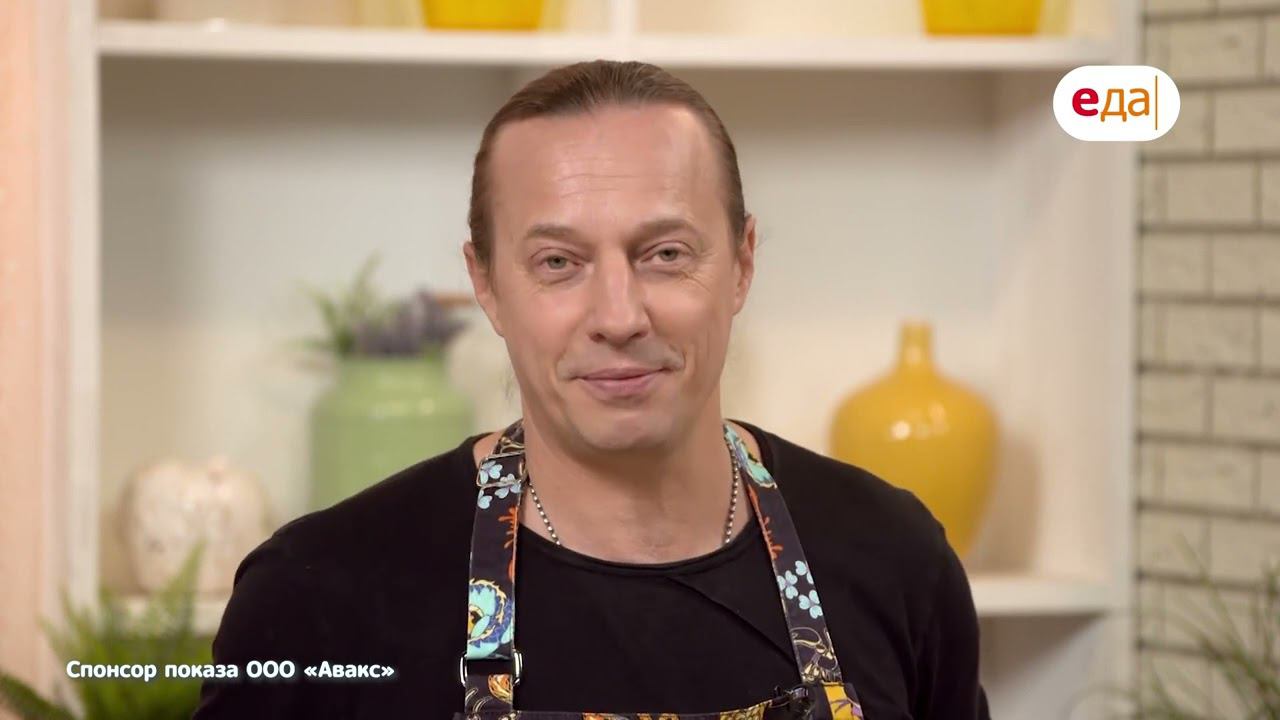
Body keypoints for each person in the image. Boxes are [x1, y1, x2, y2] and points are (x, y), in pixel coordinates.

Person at [193, 59, 991, 719]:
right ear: (486, 284)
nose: (618, 316)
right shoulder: (320, 597)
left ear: (743, 264)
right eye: (558, 263)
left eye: (666, 254)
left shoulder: (894, 559)